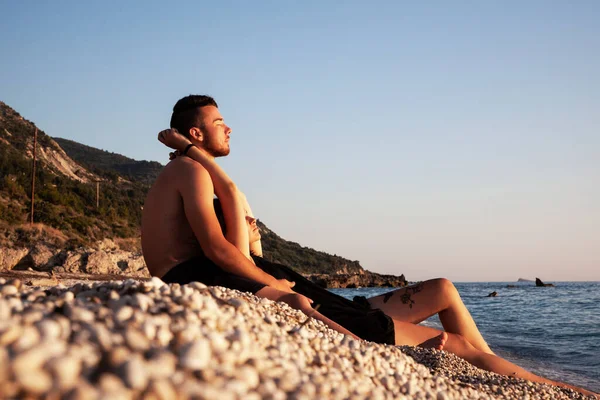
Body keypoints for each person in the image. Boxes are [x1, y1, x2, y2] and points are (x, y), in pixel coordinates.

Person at [142, 95, 596, 397]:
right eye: (219, 123)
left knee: (442, 289)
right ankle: (562, 390)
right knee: (455, 345)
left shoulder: (191, 174)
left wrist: (252, 243)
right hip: (265, 288)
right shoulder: (190, 171)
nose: (230, 129)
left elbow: (238, 253)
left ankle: (496, 365)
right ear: (196, 135)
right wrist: (271, 279)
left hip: (289, 288)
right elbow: (226, 257)